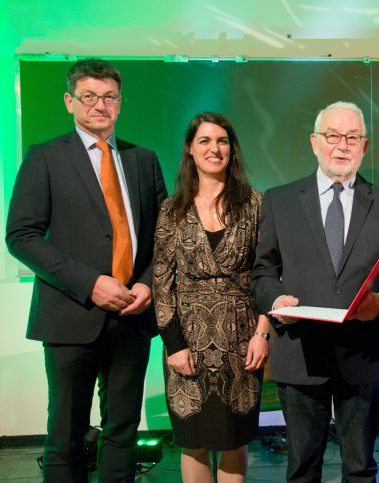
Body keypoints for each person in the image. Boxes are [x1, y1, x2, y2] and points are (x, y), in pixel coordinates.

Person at [5, 58, 167, 482]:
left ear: (120, 102)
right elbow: (21, 236)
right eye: (89, 96)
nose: (100, 105)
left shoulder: (143, 159)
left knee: (122, 433)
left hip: (133, 316)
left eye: (109, 97)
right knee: (66, 434)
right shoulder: (44, 157)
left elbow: (164, 238)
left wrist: (148, 284)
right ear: (69, 101)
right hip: (69, 316)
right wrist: (90, 283)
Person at [251, 101, 379, 482]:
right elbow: (263, 272)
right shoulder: (280, 200)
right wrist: (276, 301)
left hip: (363, 353)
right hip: (300, 351)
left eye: (352, 138)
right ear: (314, 142)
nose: (342, 146)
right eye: (333, 136)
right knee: (302, 468)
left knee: (360, 469)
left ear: (364, 146)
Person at [152, 112, 270, 482]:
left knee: (234, 439)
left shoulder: (256, 204)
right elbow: (161, 282)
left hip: (242, 339)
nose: (214, 149)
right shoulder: (172, 210)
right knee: (194, 440)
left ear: (232, 149)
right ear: (190, 149)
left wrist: (262, 334)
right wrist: (174, 345)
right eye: (204, 141)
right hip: (188, 339)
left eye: (222, 141)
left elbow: (268, 272)